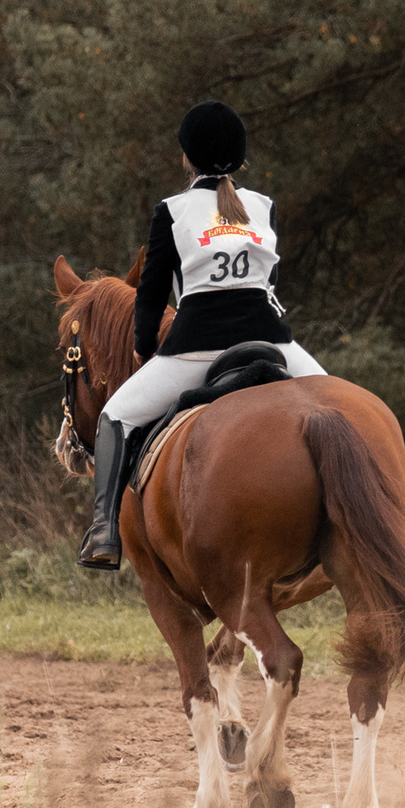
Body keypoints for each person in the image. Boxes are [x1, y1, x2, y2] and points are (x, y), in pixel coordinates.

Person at [79, 100, 328, 570]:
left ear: (186, 156)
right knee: (340, 408)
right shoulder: (263, 207)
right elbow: (269, 283)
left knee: (115, 416)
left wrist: (145, 349)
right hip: (272, 342)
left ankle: (104, 532)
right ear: (240, 157)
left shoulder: (172, 211)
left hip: (196, 348)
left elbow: (151, 298)